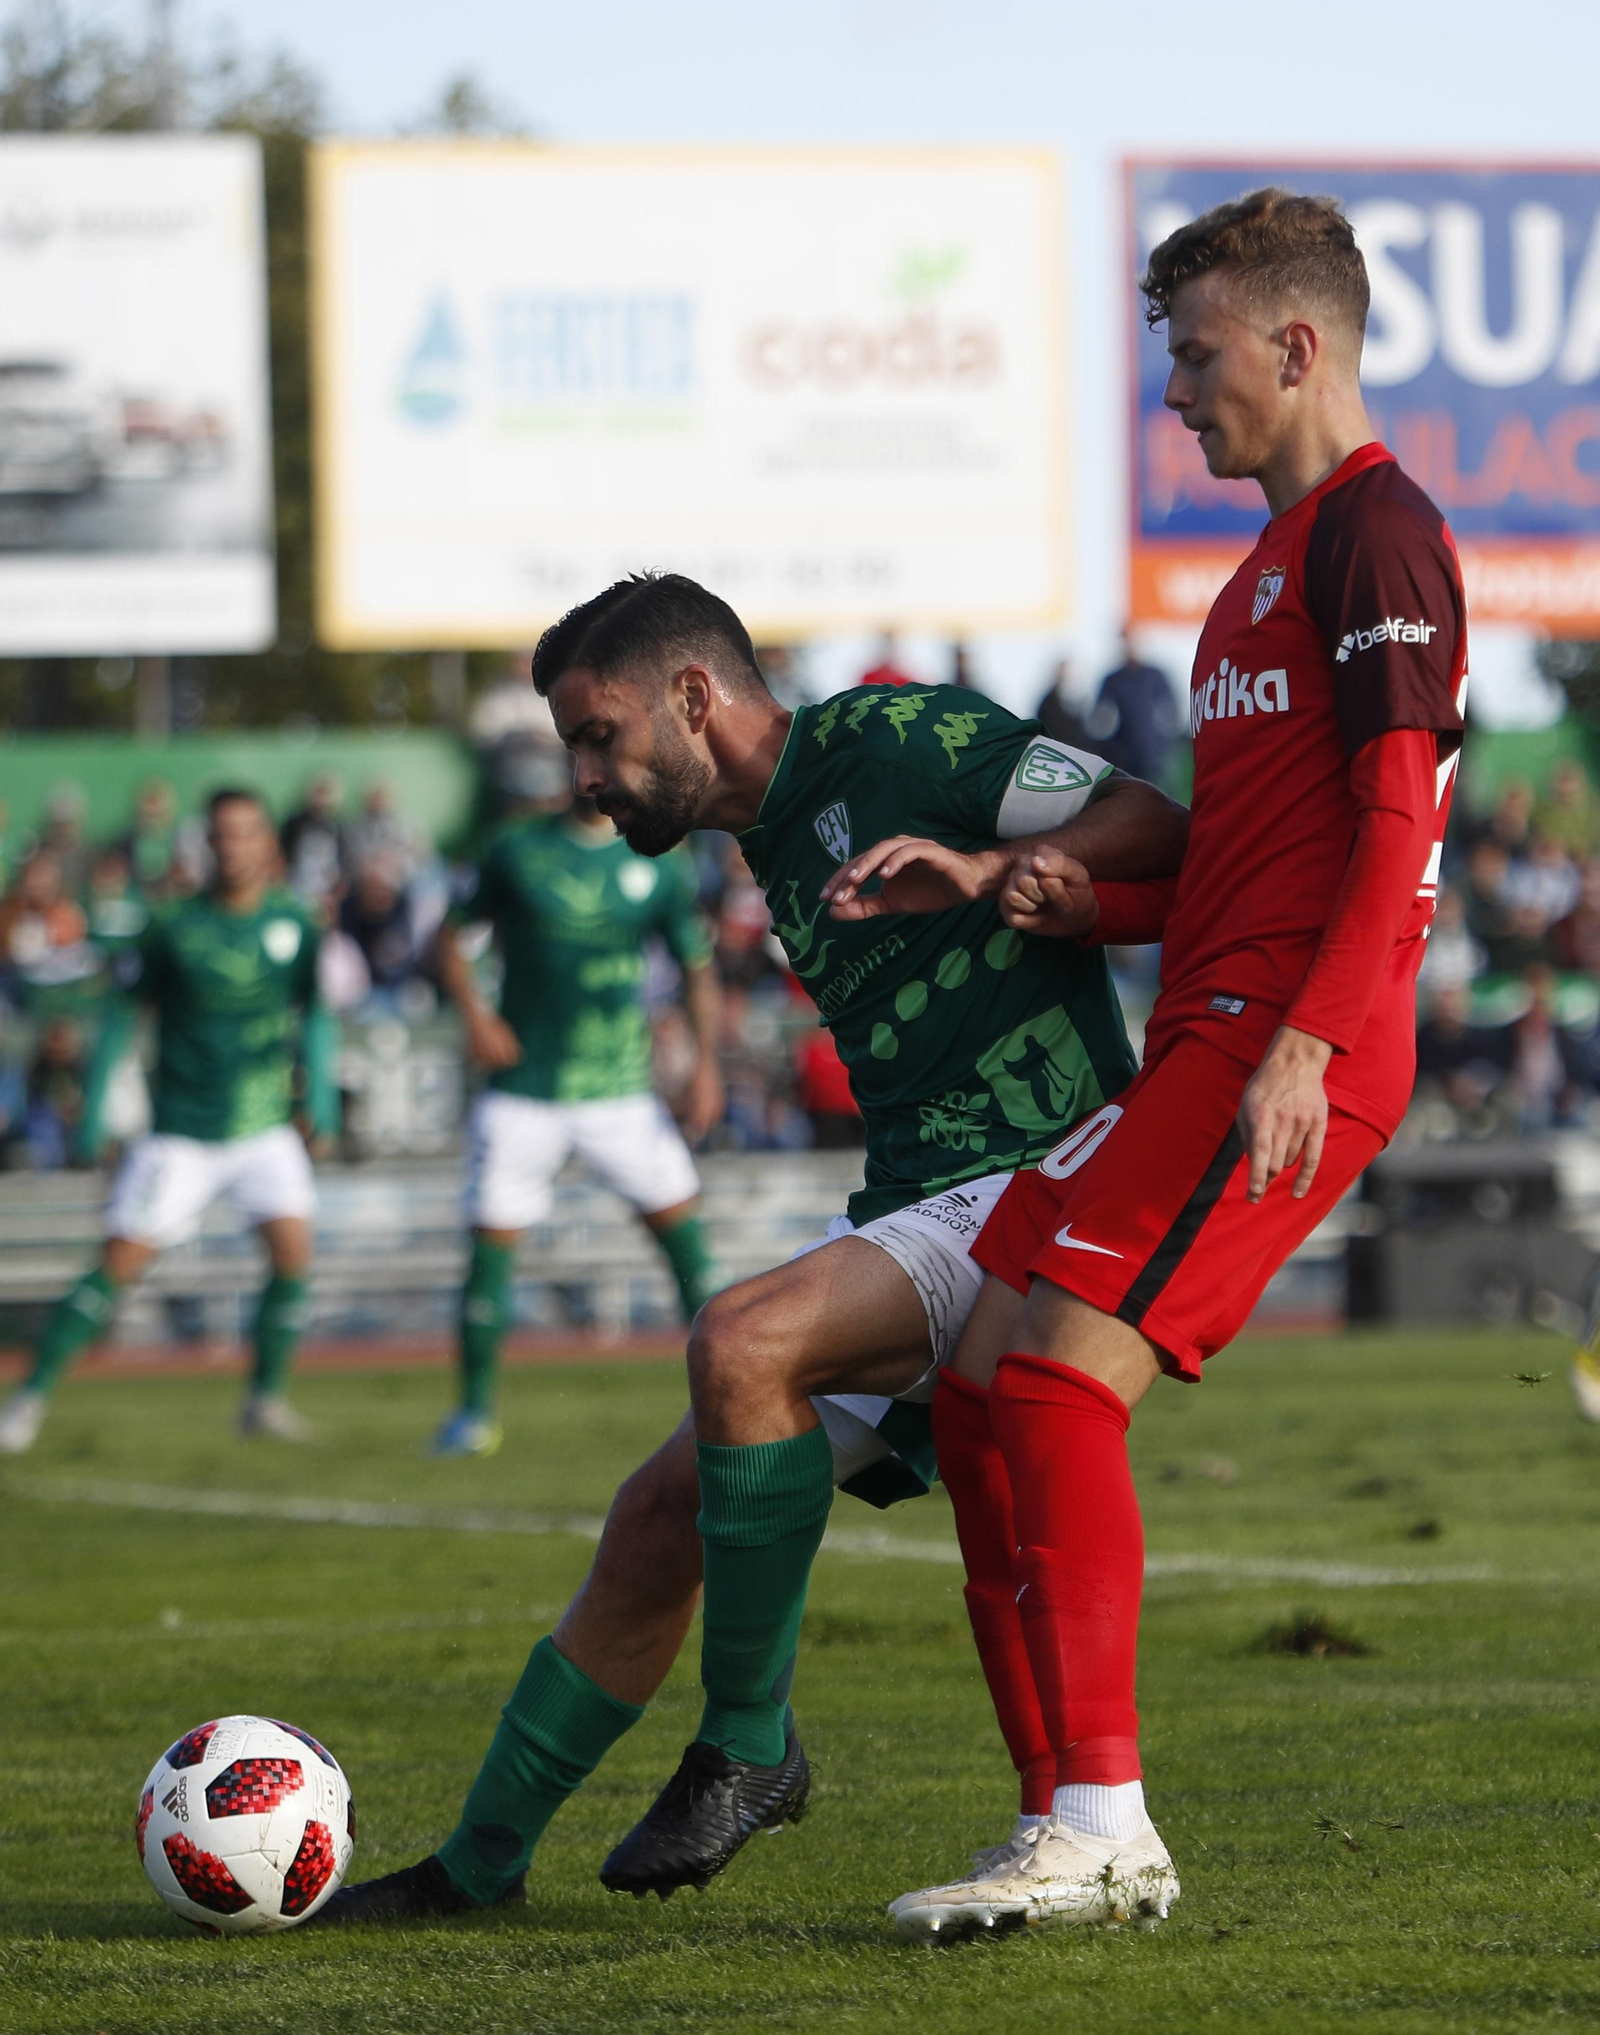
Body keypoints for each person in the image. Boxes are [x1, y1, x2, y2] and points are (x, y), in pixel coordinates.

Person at [313, 571, 1187, 1926]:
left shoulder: (896, 738)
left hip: (1038, 1176)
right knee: (658, 1516)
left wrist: (1006, 869)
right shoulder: (765, 836)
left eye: (599, 735)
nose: (585, 775)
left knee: (741, 1336)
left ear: (693, 697)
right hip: (920, 1199)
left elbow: (1156, 824)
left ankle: (747, 1744)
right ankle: (474, 1868)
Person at [882, 186, 1469, 1939]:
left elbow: (1399, 824)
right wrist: (1079, 896)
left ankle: (1106, 1823)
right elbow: (1249, 863)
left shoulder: (1381, 537)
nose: (1175, 393)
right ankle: (1053, 1817)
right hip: (1212, 1032)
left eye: (1197, 355)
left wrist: (1308, 1039)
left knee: (1057, 1386)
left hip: (1284, 1043)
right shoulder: (1261, 578)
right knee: (977, 1390)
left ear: (1295, 345)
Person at [0, 790, 339, 1455]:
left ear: (267, 842)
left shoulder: (294, 923)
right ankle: (28, 1397)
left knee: (294, 1253)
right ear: (207, 843)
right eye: (223, 833)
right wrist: (94, 1105)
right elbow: (123, 1013)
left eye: (246, 832)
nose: (234, 845)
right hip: (182, 1132)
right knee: (119, 1261)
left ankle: (264, 1400)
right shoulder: (173, 924)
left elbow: (316, 1013)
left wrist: (318, 1097)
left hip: (264, 1126)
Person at [426, 781, 727, 1458]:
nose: (597, 767)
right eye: (583, 746)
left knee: (688, 1244)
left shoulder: (660, 857)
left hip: (620, 1091)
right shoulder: (514, 847)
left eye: (607, 744)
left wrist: (706, 1064)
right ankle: (472, 1414)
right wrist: (475, 1015)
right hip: (522, 1089)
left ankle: (725, 1399)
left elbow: (696, 965)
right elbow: (450, 936)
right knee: (490, 1248)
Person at [1092, 632, 1181, 786]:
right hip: (1124, 753)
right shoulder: (1113, 679)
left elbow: (1170, 711)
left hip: (1154, 752)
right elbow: (1101, 716)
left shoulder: (1155, 676)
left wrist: (1165, 740)